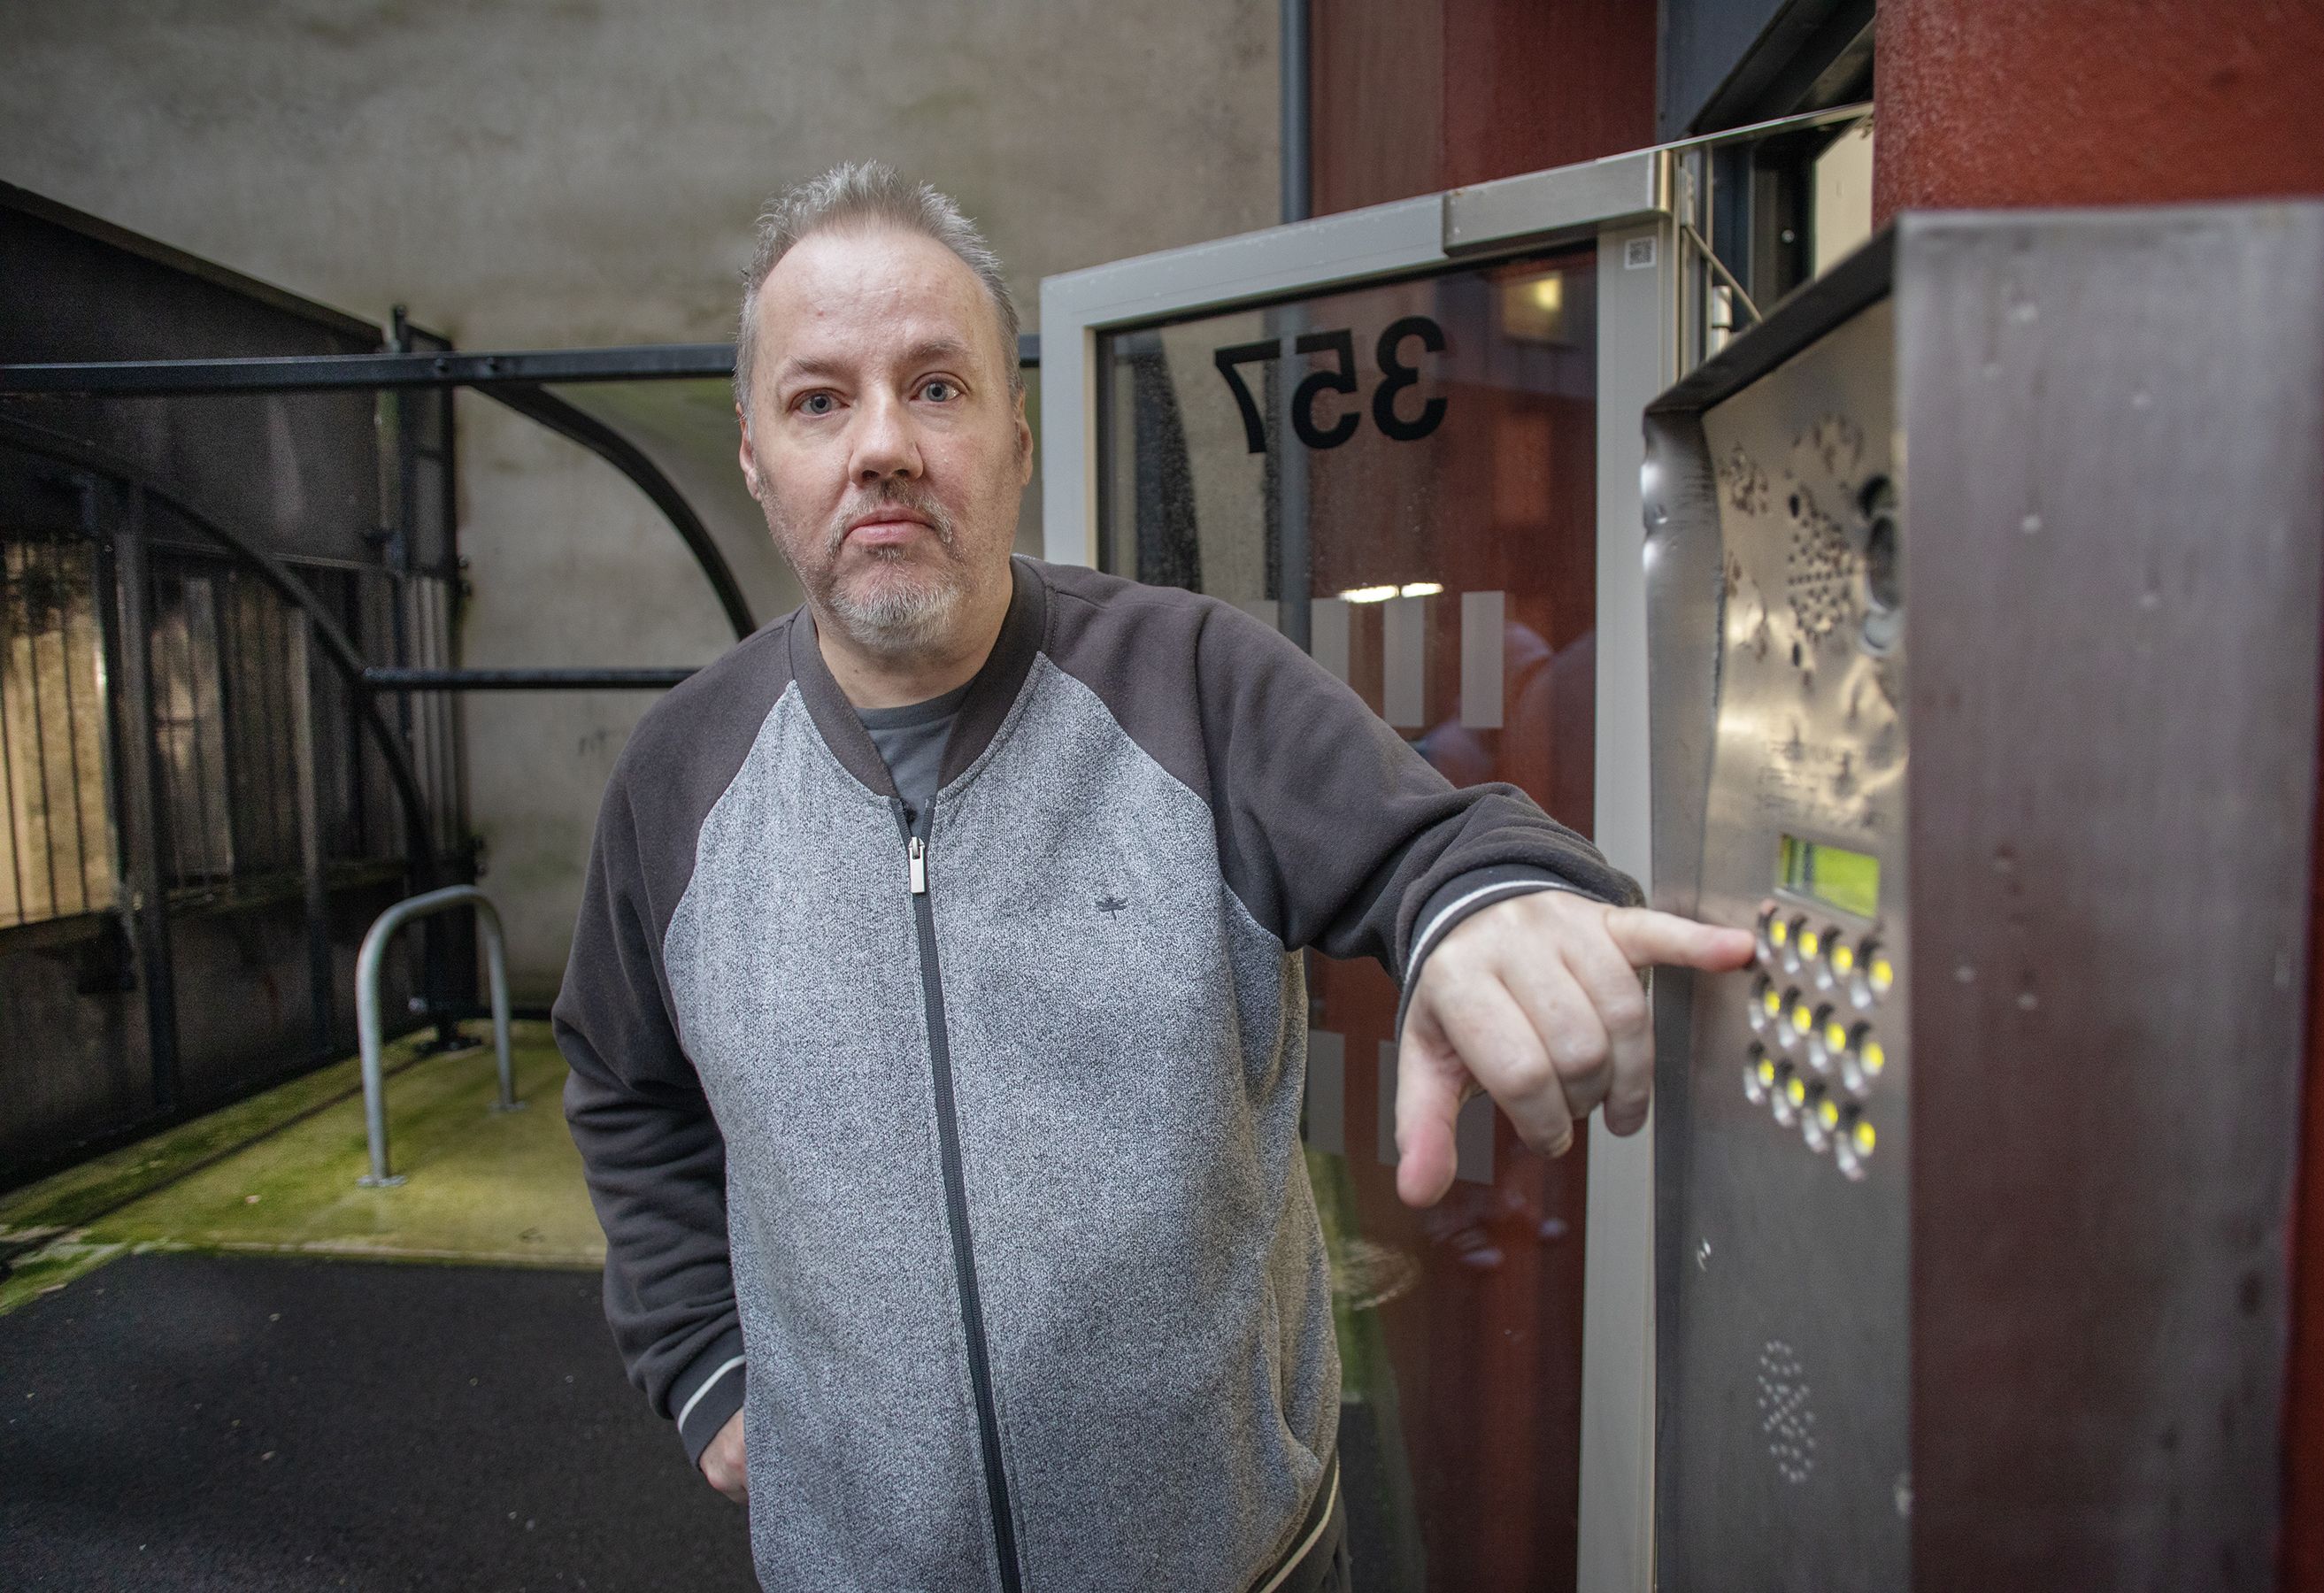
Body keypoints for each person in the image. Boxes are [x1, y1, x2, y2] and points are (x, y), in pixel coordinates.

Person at [556, 162, 1751, 1593]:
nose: (882, 444)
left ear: (1016, 435)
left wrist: (1488, 908)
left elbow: (1435, 841)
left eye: (936, 388)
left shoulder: (1191, 683)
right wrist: (702, 1361)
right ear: (758, 454)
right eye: (821, 400)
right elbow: (624, 1086)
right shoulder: (681, 778)